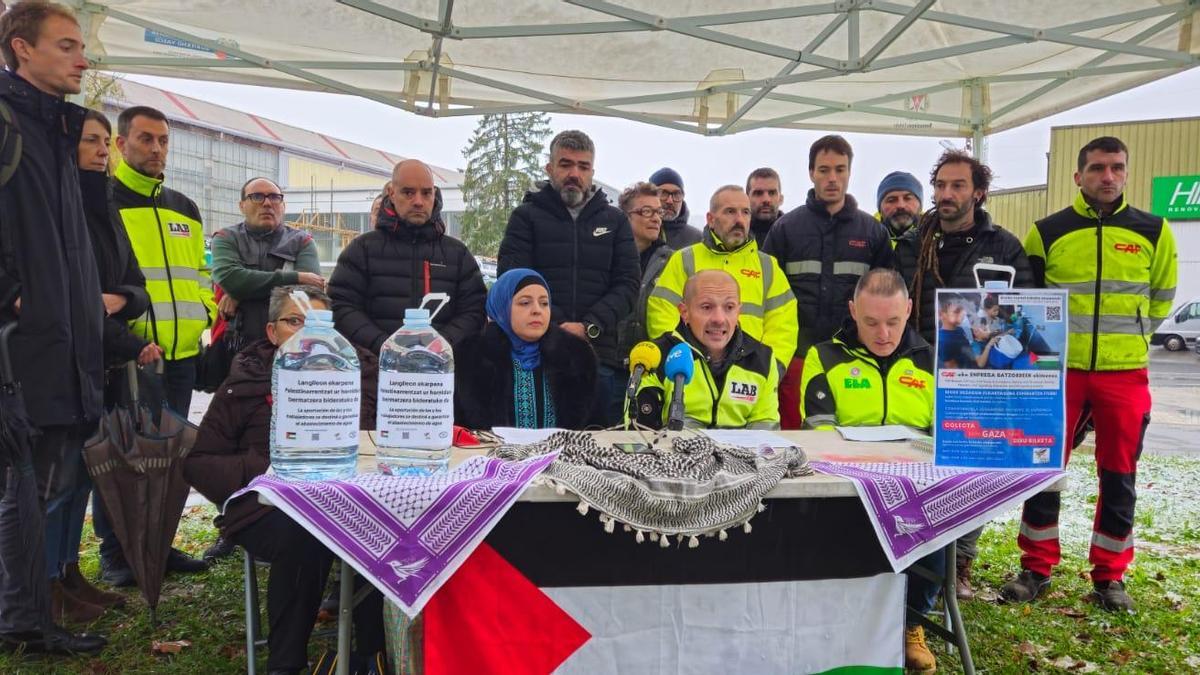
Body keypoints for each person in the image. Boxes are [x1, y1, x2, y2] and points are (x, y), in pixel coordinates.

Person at [1003, 136, 1178, 612]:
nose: (1108, 176)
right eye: (1098, 168)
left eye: (1117, 167)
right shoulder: (1047, 231)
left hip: (1124, 373)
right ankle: (1035, 567)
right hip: (1060, 374)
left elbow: (1161, 298)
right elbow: (1031, 301)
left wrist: (1136, 335)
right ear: (1078, 176)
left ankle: (1110, 574)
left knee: (1119, 475)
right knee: (1044, 469)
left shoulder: (1155, 230)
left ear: (1125, 173)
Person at [183, 285, 385, 674]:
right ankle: (285, 663)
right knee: (307, 534)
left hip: (353, 499)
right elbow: (201, 461)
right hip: (268, 506)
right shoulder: (247, 380)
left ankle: (375, 654)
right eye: (295, 321)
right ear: (272, 333)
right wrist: (269, 471)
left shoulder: (363, 376)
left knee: (384, 530)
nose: (309, 333)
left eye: (320, 323)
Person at [0, 1, 107, 655]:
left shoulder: (54, 131)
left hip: (59, 348)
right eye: (66, 45)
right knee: (21, 489)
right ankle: (22, 623)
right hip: (22, 353)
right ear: (20, 50)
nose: (82, 58)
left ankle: (27, 615)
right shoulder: (9, 125)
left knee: (36, 488)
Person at [894, 150, 1033, 597]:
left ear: (979, 191)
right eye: (940, 186)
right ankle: (918, 560)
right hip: (917, 368)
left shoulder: (1004, 246)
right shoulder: (916, 242)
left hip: (976, 377)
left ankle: (962, 563)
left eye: (957, 186)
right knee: (918, 469)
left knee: (971, 472)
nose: (946, 195)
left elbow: (1024, 310)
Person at [798, 269, 941, 674]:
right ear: (852, 312)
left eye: (894, 322)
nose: (883, 334)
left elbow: (945, 431)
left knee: (942, 519)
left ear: (909, 311)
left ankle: (912, 624)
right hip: (847, 483)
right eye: (871, 322)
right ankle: (841, 623)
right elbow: (818, 432)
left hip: (917, 483)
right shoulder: (823, 356)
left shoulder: (931, 359)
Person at [41, 109, 151, 625]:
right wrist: (120, 329)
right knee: (56, 483)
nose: (102, 150)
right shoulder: (53, 208)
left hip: (101, 366)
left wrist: (118, 303)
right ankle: (42, 585)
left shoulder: (104, 206)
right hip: (65, 365)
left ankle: (67, 572)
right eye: (92, 141)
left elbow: (136, 289)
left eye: (106, 141)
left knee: (82, 478)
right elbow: (67, 301)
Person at [106, 104, 211, 583]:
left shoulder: (184, 207)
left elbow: (202, 274)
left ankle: (160, 548)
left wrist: (205, 314)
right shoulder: (106, 203)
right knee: (123, 455)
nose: (156, 148)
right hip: (132, 355)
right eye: (146, 139)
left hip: (182, 354)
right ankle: (116, 554)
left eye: (163, 140)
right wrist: (127, 340)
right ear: (121, 143)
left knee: (168, 458)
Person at [499, 130, 639, 427]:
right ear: (550, 168)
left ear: (592, 172)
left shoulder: (615, 221)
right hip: (538, 357)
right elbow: (513, 279)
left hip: (600, 357)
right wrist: (558, 327)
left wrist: (590, 326)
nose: (574, 173)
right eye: (566, 164)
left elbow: (628, 284)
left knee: (597, 449)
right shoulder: (525, 218)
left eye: (583, 166)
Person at [762, 135, 895, 429]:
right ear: (811, 173)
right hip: (796, 356)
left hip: (853, 358)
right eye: (823, 170)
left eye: (839, 169)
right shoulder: (785, 229)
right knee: (795, 437)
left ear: (850, 172)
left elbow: (888, 298)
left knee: (848, 437)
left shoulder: (873, 232)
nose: (832, 178)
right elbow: (765, 296)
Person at [329, 159, 486, 353]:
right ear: (392, 194)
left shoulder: (457, 254)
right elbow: (341, 305)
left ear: (434, 195)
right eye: (408, 192)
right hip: (377, 370)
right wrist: (385, 346)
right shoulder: (362, 249)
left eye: (426, 193)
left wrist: (438, 347)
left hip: (443, 374)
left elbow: (474, 311)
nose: (418, 201)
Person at [647, 185, 796, 377]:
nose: (739, 220)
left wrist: (767, 371)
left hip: (749, 381)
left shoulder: (768, 267)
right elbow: (662, 313)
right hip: (691, 376)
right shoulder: (684, 260)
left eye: (745, 212)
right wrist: (682, 361)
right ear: (710, 219)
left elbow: (783, 326)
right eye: (730, 212)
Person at [633, 270, 780, 430]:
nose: (718, 319)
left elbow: (767, 434)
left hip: (742, 454)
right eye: (707, 307)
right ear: (684, 312)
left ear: (739, 312)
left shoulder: (762, 358)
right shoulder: (654, 356)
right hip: (673, 452)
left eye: (729, 307)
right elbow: (641, 435)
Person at [455, 269, 596, 429]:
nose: (537, 310)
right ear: (502, 307)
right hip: (491, 453)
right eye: (525, 303)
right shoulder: (470, 359)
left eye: (544, 303)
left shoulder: (577, 357)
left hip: (562, 453)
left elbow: (594, 430)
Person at [210, 177, 323, 345]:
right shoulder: (226, 238)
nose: (267, 203)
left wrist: (240, 294)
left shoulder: (302, 241)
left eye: (274, 197)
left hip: (288, 344)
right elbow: (230, 278)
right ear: (242, 206)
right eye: (257, 197)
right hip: (234, 343)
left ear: (283, 206)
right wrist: (295, 277)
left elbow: (308, 294)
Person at [615, 182, 672, 361]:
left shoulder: (672, 261)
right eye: (647, 211)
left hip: (651, 364)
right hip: (609, 361)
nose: (656, 219)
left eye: (659, 212)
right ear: (626, 217)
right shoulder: (607, 255)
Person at [648, 167, 701, 249]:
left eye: (676, 194)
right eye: (663, 193)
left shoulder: (698, 240)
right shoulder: (633, 232)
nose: (670, 201)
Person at [876, 171, 923, 242]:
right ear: (880, 209)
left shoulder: (938, 236)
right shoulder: (865, 237)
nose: (901, 205)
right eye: (891, 200)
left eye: (908, 198)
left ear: (920, 206)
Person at [746, 167, 784, 247]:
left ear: (781, 199)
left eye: (772, 193)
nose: (766, 200)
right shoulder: (734, 235)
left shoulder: (795, 233)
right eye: (758, 193)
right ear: (746, 199)